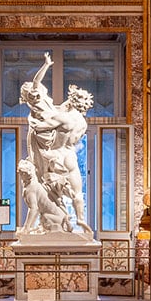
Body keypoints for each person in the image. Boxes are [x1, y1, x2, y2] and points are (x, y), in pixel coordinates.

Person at [17, 53, 95, 237]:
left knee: (47, 188)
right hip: (70, 157)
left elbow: (41, 126)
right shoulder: (82, 123)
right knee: (77, 192)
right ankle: (80, 219)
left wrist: (35, 124)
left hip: (55, 157)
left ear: (72, 100)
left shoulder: (62, 118)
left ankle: (50, 221)